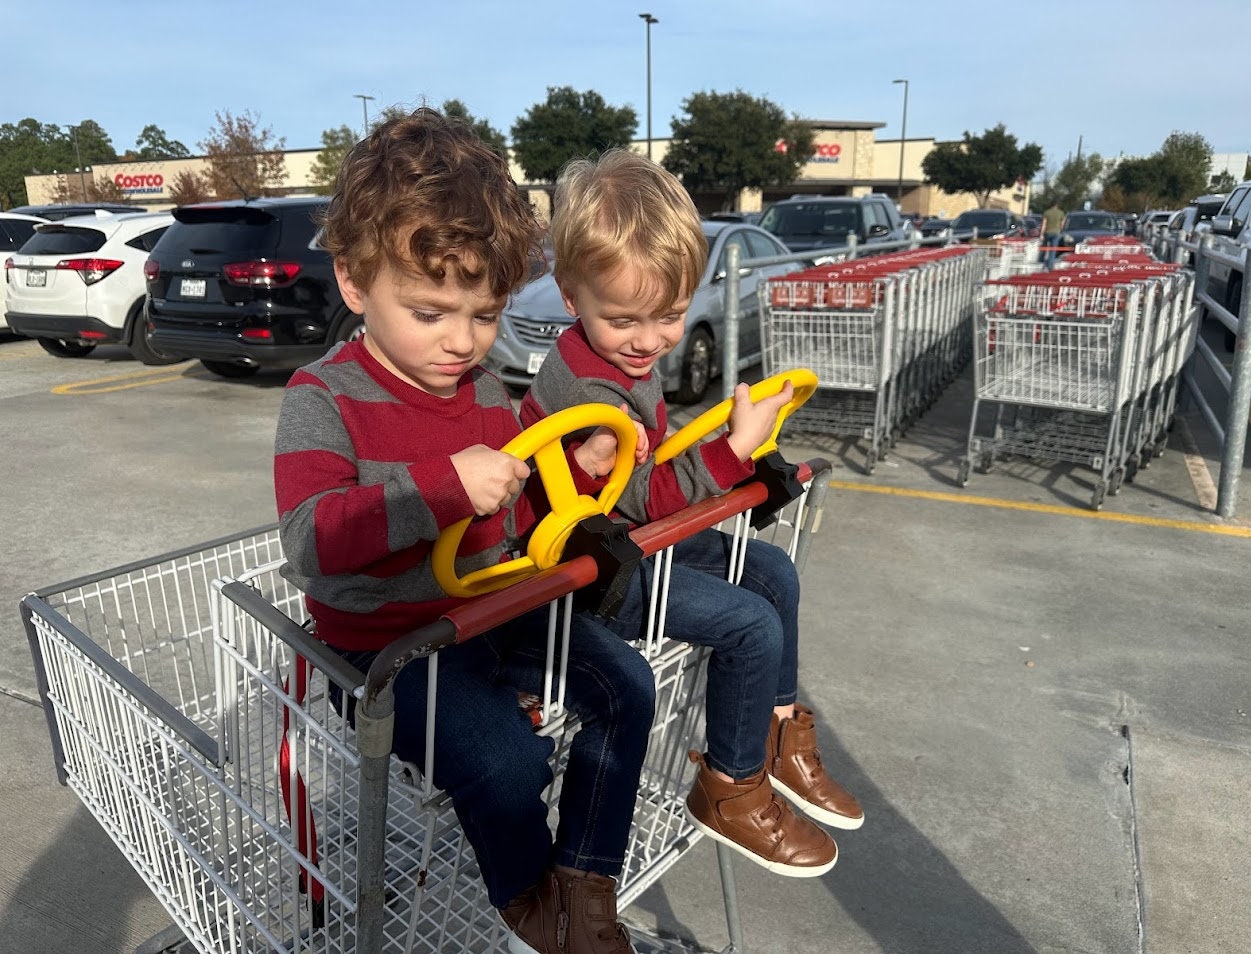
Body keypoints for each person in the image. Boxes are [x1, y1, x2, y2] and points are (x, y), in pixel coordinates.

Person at [273, 108, 655, 954]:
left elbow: (511, 517)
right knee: (506, 761)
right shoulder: (323, 397)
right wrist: (445, 488)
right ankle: (532, 906)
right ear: (353, 281)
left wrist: (577, 478)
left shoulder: (486, 392)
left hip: (486, 613)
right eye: (430, 311)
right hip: (385, 651)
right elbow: (312, 537)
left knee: (625, 685)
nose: (460, 341)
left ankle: (585, 885)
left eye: (483, 315)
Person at [520, 149, 863, 880]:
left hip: (628, 543)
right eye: (625, 320)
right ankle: (730, 786)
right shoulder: (590, 397)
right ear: (569, 294)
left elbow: (649, 474)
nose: (651, 340)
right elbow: (646, 497)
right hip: (587, 576)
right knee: (750, 622)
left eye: (671, 314)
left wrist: (718, 440)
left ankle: (775, 733)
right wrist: (732, 450)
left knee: (770, 568)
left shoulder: (614, 363)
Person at [1042, 202, 1065, 269]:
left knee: (1044, 248)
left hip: (1047, 232)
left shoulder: (1047, 212)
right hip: (1056, 233)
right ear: (1057, 206)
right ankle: (1050, 266)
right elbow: (1062, 224)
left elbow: (1044, 224)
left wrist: (1041, 234)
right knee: (1053, 250)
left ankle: (1041, 262)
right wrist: (1061, 231)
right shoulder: (1061, 213)